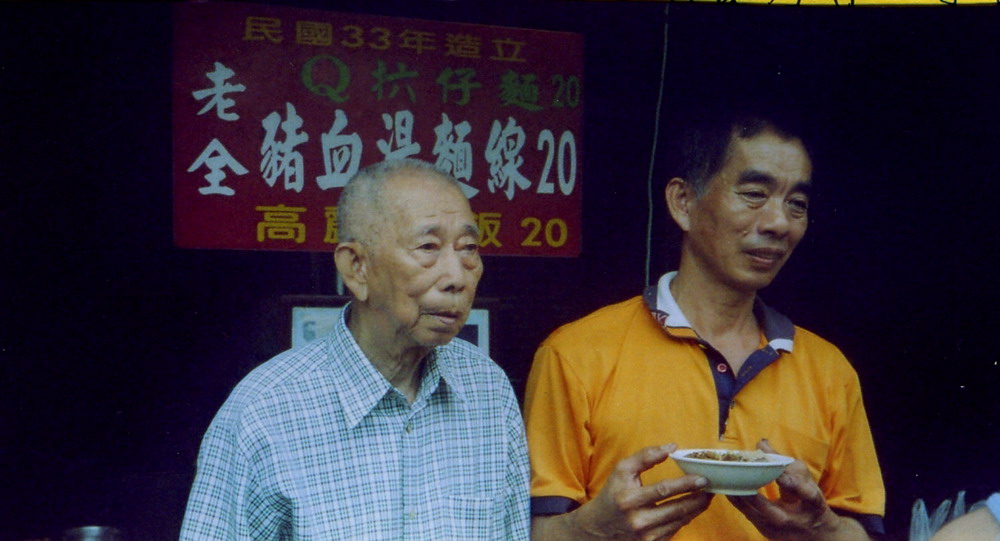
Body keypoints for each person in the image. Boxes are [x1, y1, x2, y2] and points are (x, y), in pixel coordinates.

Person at [524, 112, 886, 540]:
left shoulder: (830, 372)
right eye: (754, 194)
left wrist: (822, 531)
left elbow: (861, 529)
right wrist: (591, 532)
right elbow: (527, 529)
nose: (778, 223)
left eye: (797, 205)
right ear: (683, 202)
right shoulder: (577, 353)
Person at [180, 159, 530, 540]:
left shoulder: (488, 392)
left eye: (468, 249)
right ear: (356, 267)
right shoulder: (266, 410)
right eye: (428, 246)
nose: (457, 276)